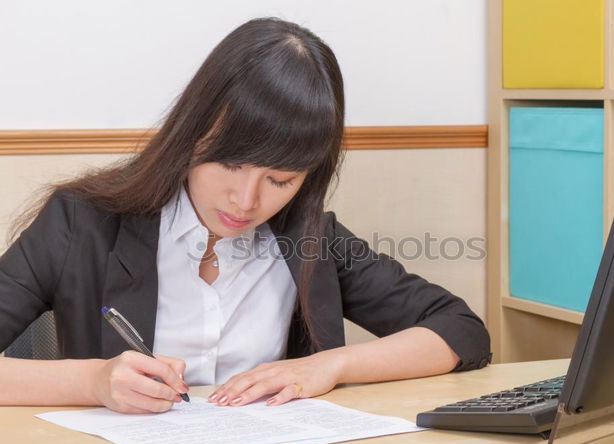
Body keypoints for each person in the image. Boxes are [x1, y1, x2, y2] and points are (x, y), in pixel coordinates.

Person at [0, 17, 491, 414]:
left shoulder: (311, 238)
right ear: (191, 134)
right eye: (230, 164)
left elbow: (460, 330)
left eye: (281, 180)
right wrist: (95, 381)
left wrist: (328, 366)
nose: (246, 201)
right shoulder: (82, 221)